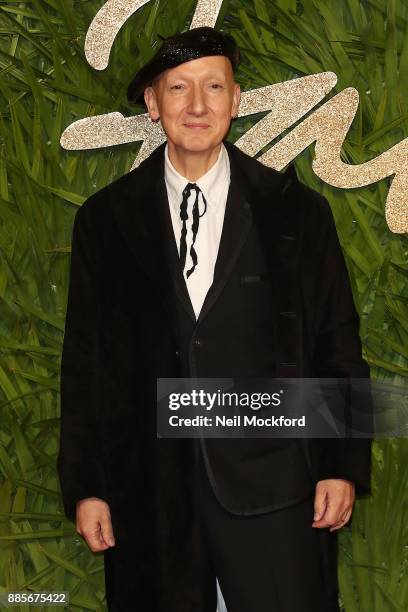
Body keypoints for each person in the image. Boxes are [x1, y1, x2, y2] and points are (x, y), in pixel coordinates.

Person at [57, 26, 372, 612]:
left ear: (234, 99)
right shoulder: (105, 221)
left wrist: (341, 466)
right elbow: (85, 365)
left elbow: (337, 344)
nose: (197, 106)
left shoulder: (297, 212)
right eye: (178, 88)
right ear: (153, 104)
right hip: (150, 499)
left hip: (281, 494)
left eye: (214, 86)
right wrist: (87, 486)